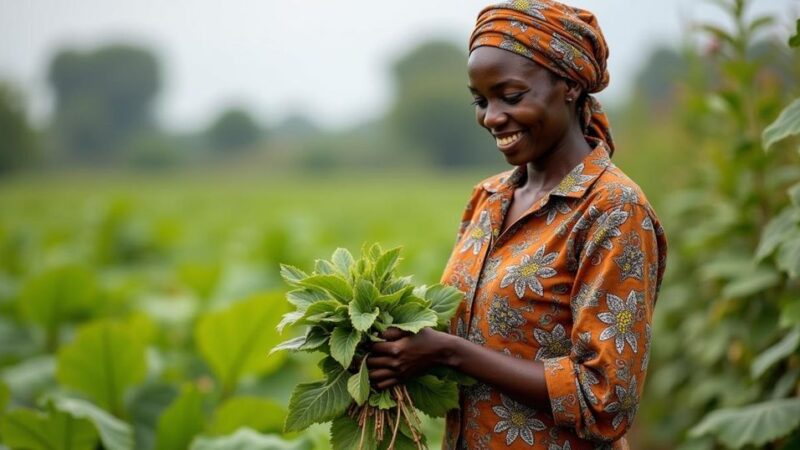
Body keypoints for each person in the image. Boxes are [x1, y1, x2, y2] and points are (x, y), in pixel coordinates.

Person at [367, 1, 668, 448]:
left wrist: (449, 352)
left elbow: (606, 398)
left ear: (568, 85)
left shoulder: (613, 210)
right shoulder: (487, 199)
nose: (491, 117)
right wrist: (397, 347)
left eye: (510, 97)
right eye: (480, 100)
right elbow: (473, 334)